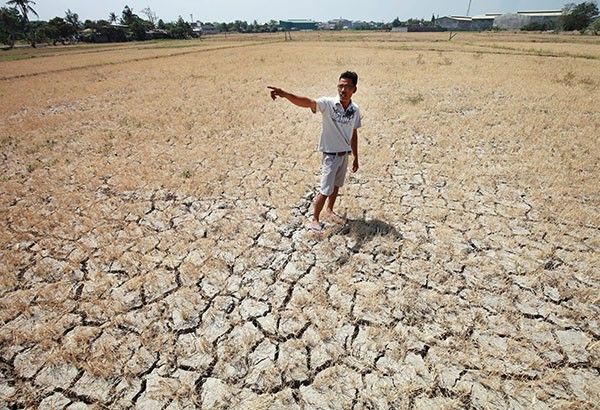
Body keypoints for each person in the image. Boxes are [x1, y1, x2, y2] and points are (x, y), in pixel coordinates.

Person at [268, 71, 362, 233]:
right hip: (330, 156)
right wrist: (285, 94)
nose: (342, 90)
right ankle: (315, 219)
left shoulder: (355, 109)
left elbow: (353, 133)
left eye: (347, 87)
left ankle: (330, 210)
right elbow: (307, 102)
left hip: (344, 155)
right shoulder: (328, 104)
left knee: (336, 186)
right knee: (325, 190)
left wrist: (355, 157)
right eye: (340, 86)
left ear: (354, 89)